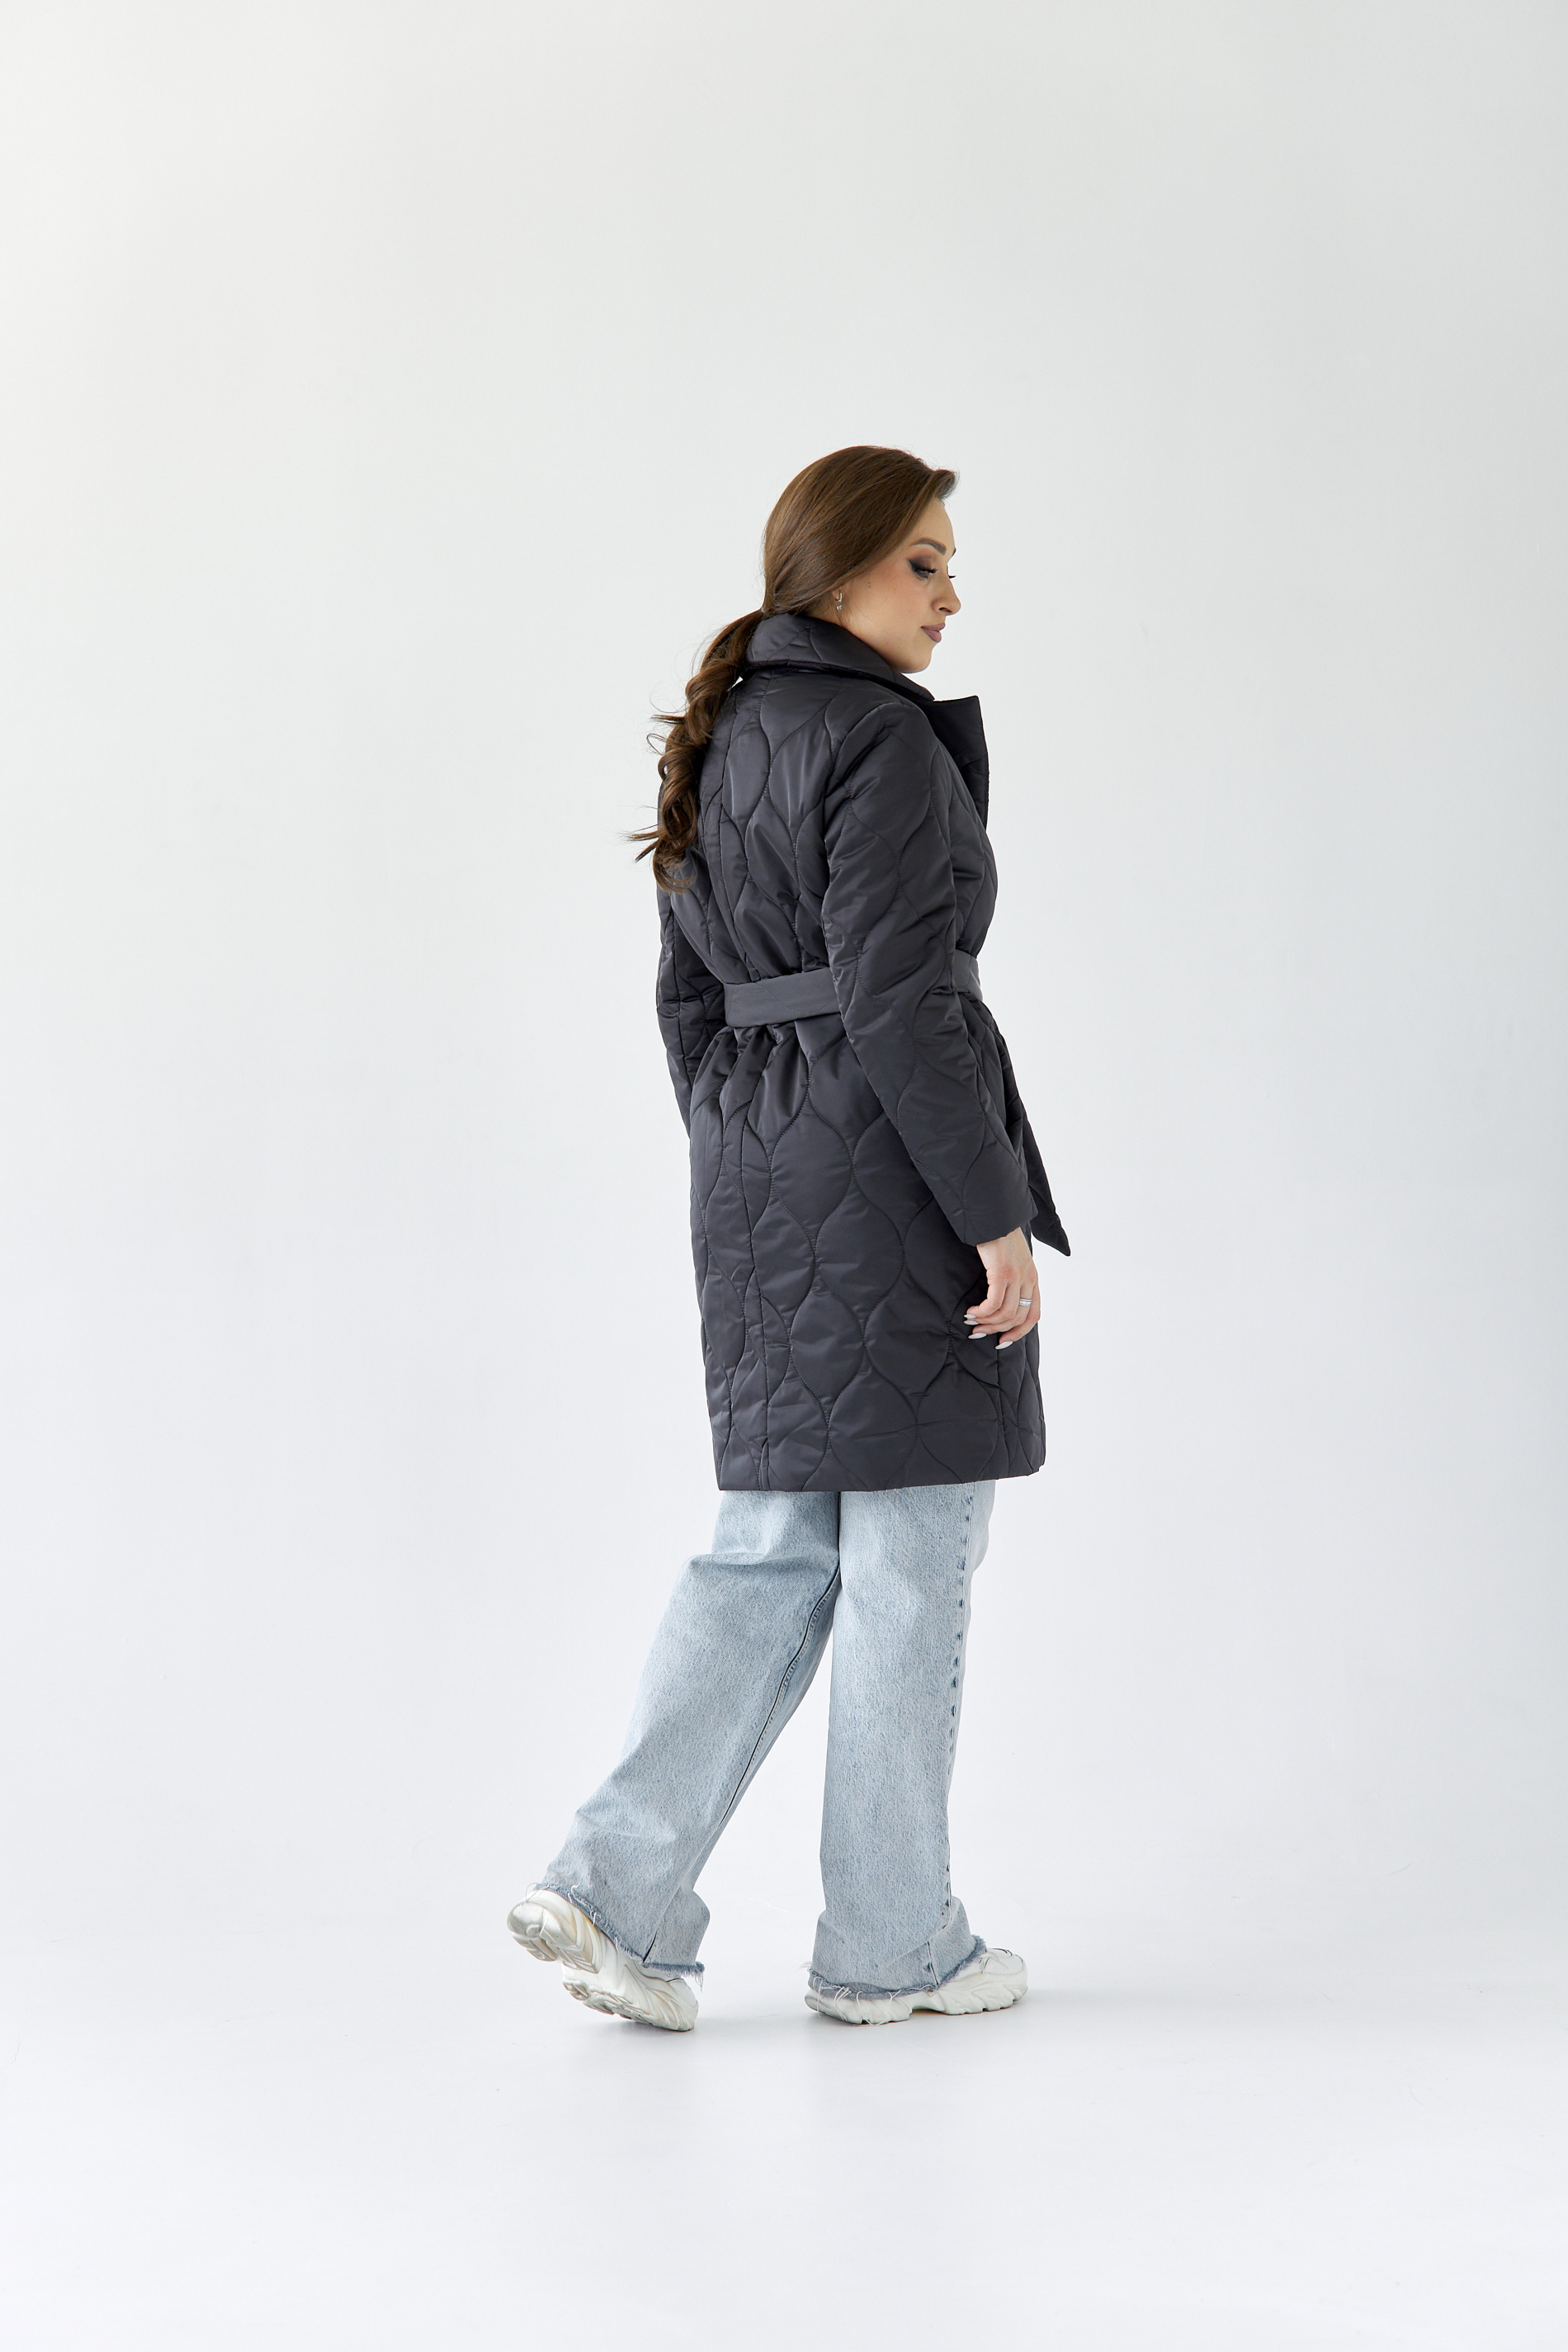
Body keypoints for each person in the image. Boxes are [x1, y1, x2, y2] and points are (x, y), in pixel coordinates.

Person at [508, 446, 1069, 2030]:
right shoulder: (877, 738)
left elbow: (685, 1001)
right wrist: (995, 1214)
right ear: (838, 573)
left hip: (757, 1172)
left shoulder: (724, 730)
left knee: (769, 1543)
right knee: (911, 1558)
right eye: (923, 565)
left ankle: (610, 1890)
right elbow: (904, 1002)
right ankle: (892, 1942)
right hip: (894, 1169)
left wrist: (745, 1132)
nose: (950, 598)